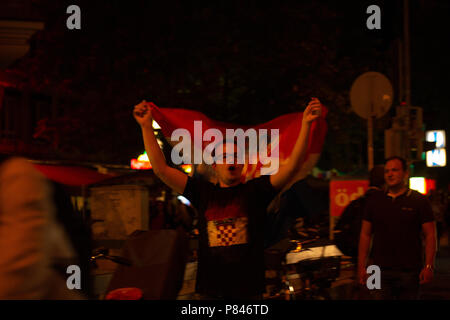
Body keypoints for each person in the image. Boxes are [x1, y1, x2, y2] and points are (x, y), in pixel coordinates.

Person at [133, 98, 322, 299]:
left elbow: (292, 166)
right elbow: (161, 170)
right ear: (215, 167)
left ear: (242, 165)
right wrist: (146, 127)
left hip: (248, 292)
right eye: (224, 157)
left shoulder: (257, 191)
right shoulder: (202, 192)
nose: (230, 161)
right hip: (210, 292)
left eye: (235, 157)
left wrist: (306, 124)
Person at [0, 155, 84, 299]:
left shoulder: (16, 175)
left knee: (73, 285)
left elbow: (18, 277)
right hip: (60, 261)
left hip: (63, 261)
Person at [357, 156, 437, 300]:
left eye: (395, 170)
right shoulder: (374, 200)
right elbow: (365, 234)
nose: (390, 174)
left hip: (409, 270)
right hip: (377, 269)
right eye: (387, 171)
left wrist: (429, 266)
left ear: (405, 173)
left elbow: (430, 234)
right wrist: (362, 266)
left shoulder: (419, 201)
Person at [334, 165, 385, 259]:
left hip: (357, 256)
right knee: (375, 273)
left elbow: (338, 232)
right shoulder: (385, 204)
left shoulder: (356, 204)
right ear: (384, 183)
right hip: (378, 259)